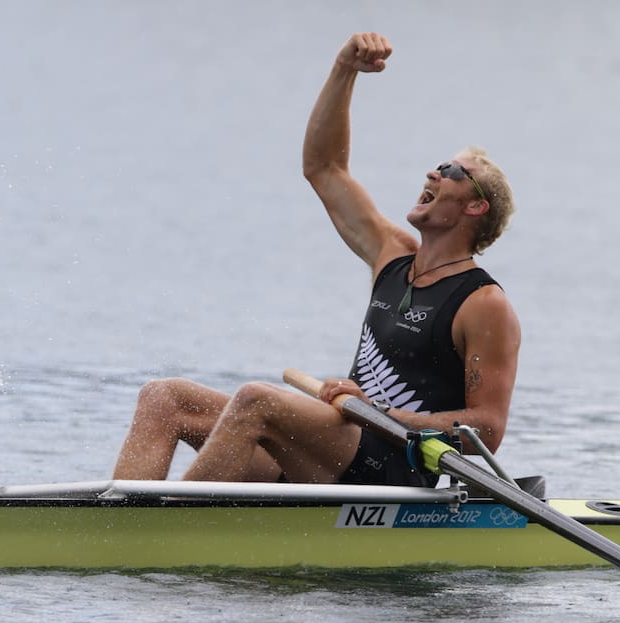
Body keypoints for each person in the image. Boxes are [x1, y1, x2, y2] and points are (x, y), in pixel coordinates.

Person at [111, 32, 520, 487]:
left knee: (257, 400)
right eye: (438, 164)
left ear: (475, 207)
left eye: (452, 172)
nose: (433, 172)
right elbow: (324, 167)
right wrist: (345, 69)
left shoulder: (483, 303)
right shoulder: (392, 255)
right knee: (164, 397)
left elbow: (487, 429)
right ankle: (114, 526)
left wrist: (377, 413)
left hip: (394, 466)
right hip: (335, 450)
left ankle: (162, 536)